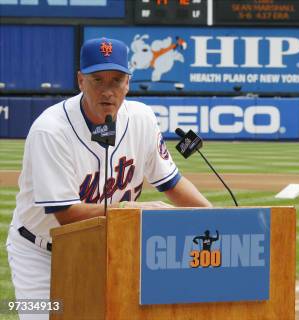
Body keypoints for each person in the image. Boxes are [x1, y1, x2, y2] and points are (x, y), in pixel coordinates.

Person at [6, 37, 212, 319]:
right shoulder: (50, 131)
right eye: (97, 80)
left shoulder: (142, 119)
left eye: (116, 80)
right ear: (80, 81)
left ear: (128, 82)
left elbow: (172, 183)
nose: (108, 90)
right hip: (40, 253)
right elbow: (66, 214)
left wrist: (215, 219)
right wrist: (133, 210)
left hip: (104, 247)